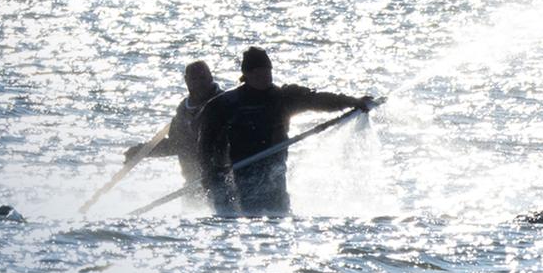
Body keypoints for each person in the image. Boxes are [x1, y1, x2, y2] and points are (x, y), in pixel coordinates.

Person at [194, 47, 374, 216]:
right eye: (258, 72)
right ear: (246, 75)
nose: (265, 76)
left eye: (268, 71)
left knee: (276, 213)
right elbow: (206, 144)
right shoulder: (224, 105)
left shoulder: (285, 97)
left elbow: (320, 99)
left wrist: (354, 102)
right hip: (240, 173)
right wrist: (209, 172)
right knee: (242, 213)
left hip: (274, 171)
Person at [124, 60, 227, 211]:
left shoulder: (225, 104)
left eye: (203, 78)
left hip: (222, 179)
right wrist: (141, 152)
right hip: (193, 184)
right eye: (194, 79)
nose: (199, 83)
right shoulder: (183, 110)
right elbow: (176, 145)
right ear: (186, 81)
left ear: (211, 77)